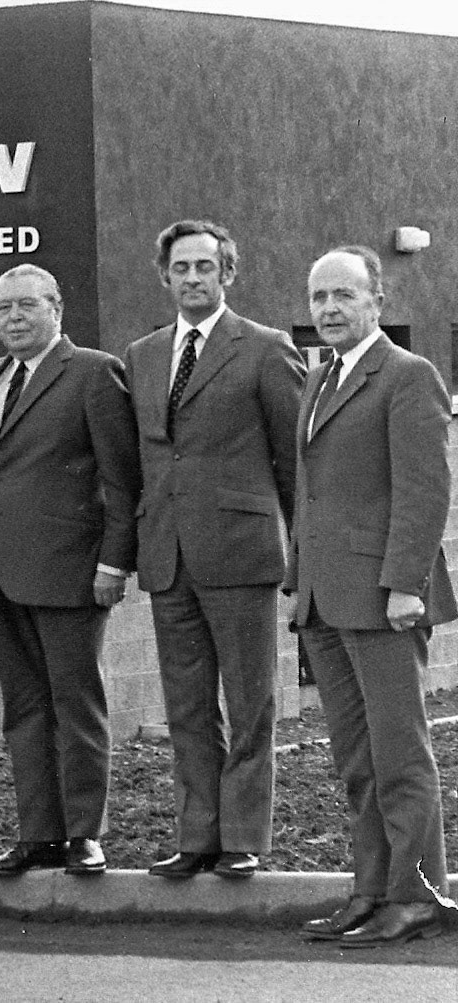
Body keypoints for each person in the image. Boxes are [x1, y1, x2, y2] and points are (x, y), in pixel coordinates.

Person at [123, 221, 304, 881]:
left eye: (205, 266)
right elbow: (143, 460)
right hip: (168, 555)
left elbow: (294, 464)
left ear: (227, 272)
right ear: (164, 276)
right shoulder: (142, 354)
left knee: (251, 702)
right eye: (181, 267)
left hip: (241, 552)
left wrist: (299, 555)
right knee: (187, 705)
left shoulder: (266, 349)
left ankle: (244, 837)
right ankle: (197, 834)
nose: (193, 277)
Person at [289, 246, 455, 947]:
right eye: (320, 297)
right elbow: (312, 492)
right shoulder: (319, 380)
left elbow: (424, 492)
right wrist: (299, 583)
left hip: (383, 599)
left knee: (399, 755)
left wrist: (402, 588)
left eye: (344, 296)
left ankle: (416, 894)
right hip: (325, 602)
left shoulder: (408, 376)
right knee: (356, 759)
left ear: (376, 302)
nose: (329, 309)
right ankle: (370, 890)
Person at [0, 264, 140, 878]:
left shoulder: (93, 372)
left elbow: (122, 478)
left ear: (56, 308)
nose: (13, 318)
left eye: (26, 307)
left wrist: (114, 562)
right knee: (24, 709)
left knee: (77, 703)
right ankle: (38, 833)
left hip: (71, 572)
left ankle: (85, 833)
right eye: (3, 308)